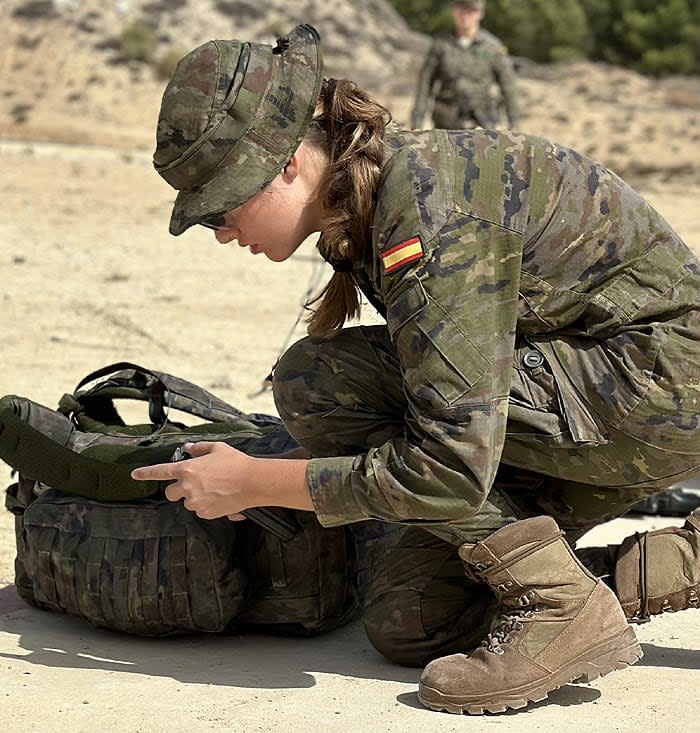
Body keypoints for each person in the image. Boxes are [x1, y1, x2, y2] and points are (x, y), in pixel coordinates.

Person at [133, 25, 700, 715]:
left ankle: (558, 602)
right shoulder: (362, 208)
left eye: (222, 207)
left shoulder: (424, 207)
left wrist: (255, 481)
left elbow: (450, 464)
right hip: (592, 403)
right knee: (411, 620)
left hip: (658, 392)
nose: (222, 232)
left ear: (285, 164)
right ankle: (648, 575)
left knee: (315, 382)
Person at [410, 0, 520, 131]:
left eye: (471, 11)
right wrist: (417, 124)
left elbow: (508, 87)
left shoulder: (493, 47)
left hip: (483, 122)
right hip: (446, 121)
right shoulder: (440, 44)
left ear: (480, 14)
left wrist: (514, 125)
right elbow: (425, 84)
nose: (465, 15)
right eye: (461, 10)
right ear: (454, 12)